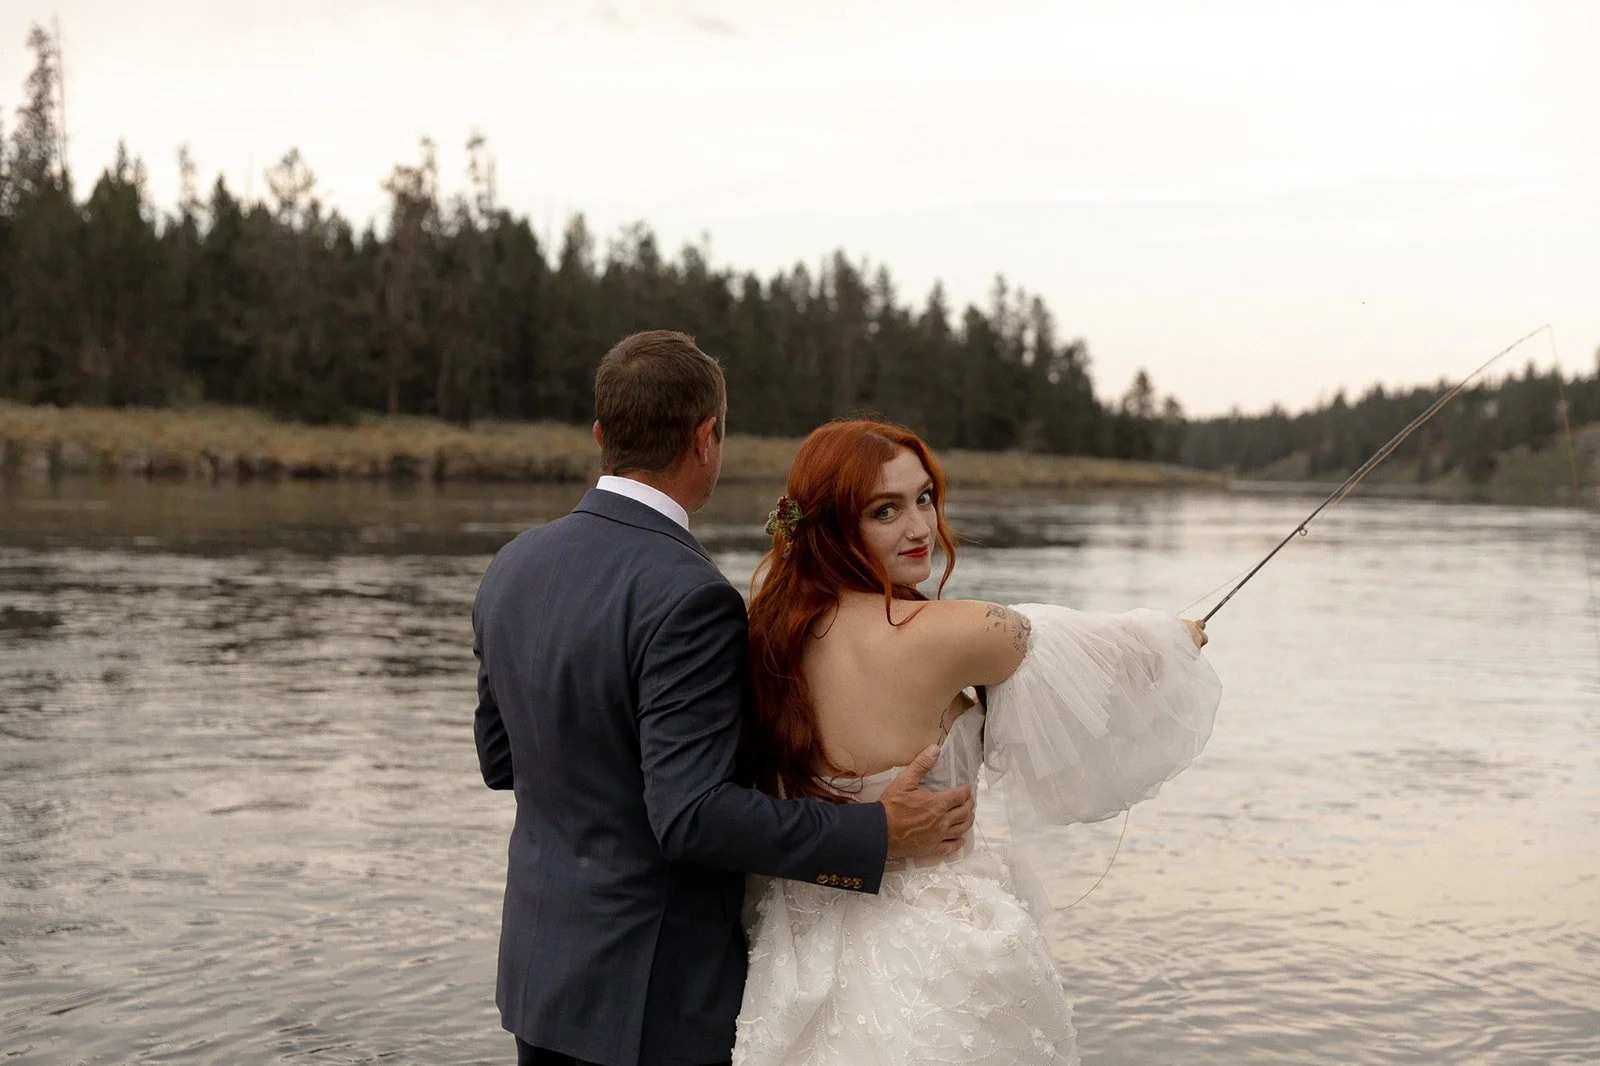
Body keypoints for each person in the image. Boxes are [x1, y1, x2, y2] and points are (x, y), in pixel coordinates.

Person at [472, 333, 976, 1066]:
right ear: (707, 438)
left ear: (601, 436)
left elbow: (501, 759)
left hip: (542, 980)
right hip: (655, 998)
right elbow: (690, 817)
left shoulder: (512, 565)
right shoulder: (690, 595)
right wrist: (873, 833)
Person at [732, 419, 1222, 1065]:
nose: (919, 527)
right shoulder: (951, 632)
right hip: (929, 942)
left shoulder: (765, 632)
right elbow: (1116, 656)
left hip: (794, 947)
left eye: (924, 498)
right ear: (830, 526)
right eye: (885, 510)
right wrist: (1179, 637)